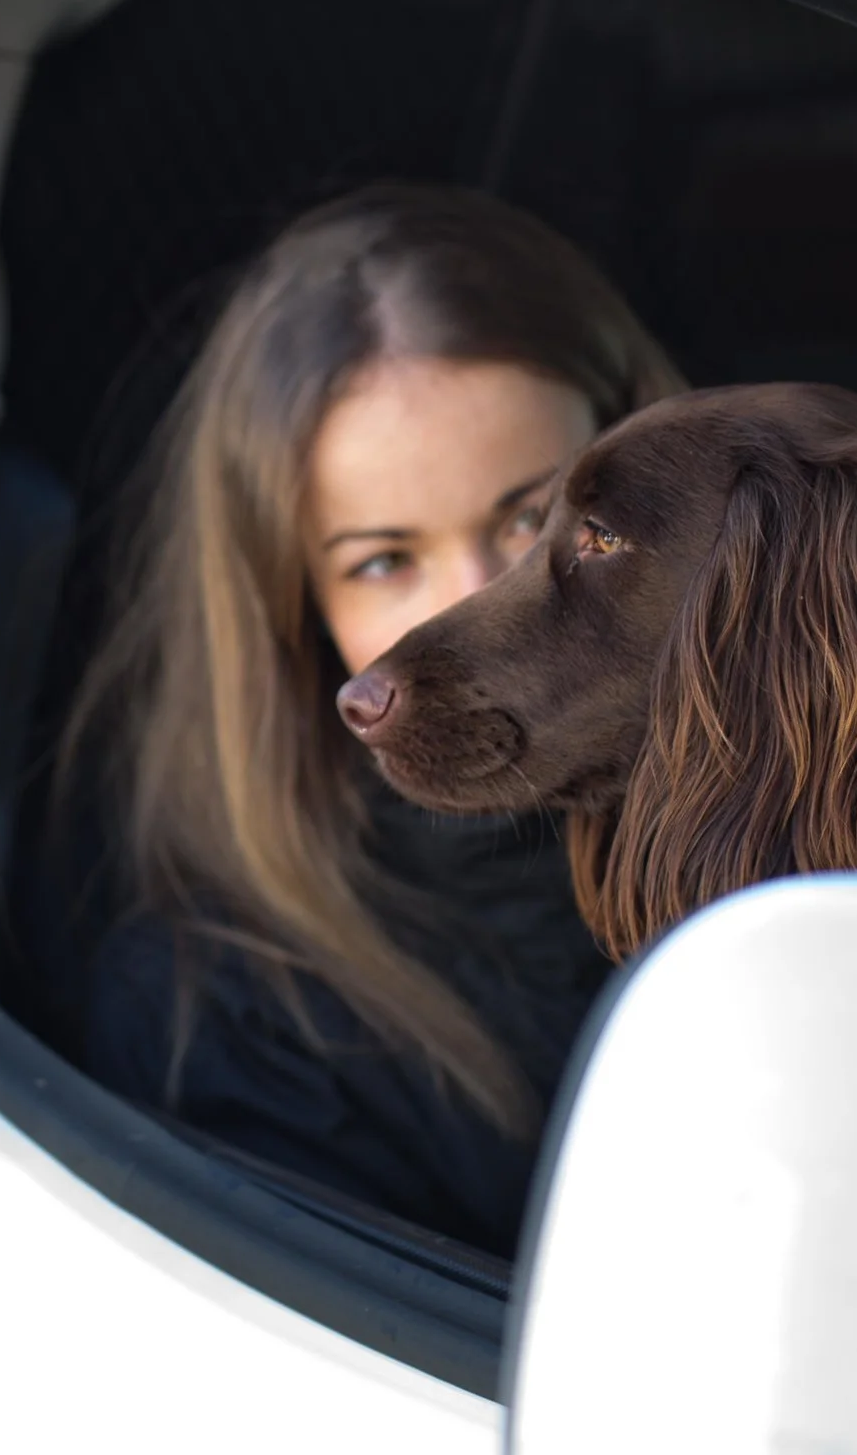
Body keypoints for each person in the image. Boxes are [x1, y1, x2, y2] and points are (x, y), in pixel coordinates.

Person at [57, 183, 685, 1256]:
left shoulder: (823, 798)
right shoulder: (224, 1020)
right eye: (386, 562)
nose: (482, 615)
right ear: (299, 610)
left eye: (537, 520)